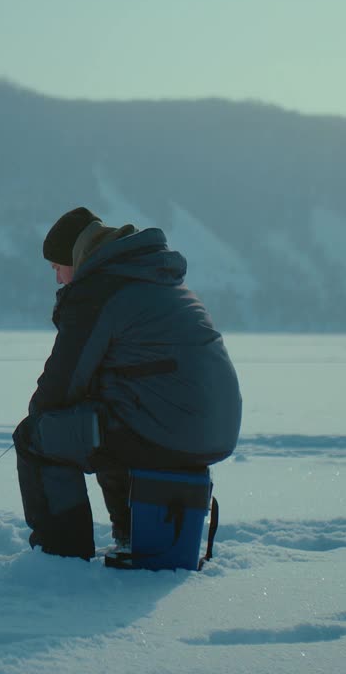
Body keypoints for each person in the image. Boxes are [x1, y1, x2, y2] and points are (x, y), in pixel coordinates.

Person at [14, 206, 242, 561]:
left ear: (77, 257)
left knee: (39, 436)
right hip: (210, 427)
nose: (58, 280)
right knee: (102, 424)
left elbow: (60, 386)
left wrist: (38, 421)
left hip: (168, 425)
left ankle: (59, 556)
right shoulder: (152, 277)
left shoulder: (100, 289)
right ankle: (134, 540)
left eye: (57, 268)